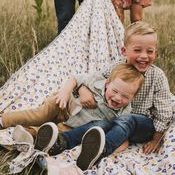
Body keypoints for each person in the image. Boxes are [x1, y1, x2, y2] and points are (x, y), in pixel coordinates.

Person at [36, 22, 173, 170]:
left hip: (141, 124)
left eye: (150, 51)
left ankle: (100, 152)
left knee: (127, 119)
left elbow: (164, 110)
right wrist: (83, 89)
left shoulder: (157, 76)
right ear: (124, 50)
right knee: (99, 124)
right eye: (137, 50)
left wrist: (156, 139)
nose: (144, 56)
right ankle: (60, 143)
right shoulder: (116, 67)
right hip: (115, 123)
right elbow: (93, 80)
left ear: (156, 53)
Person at [0, 63, 144, 153]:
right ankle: (3, 120)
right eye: (115, 91)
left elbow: (120, 130)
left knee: (56, 132)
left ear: (133, 97)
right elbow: (75, 79)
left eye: (125, 96)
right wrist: (65, 92)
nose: (118, 98)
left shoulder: (125, 112)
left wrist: (120, 144)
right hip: (64, 105)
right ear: (107, 84)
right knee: (39, 115)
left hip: (74, 125)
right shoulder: (97, 81)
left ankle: (29, 134)